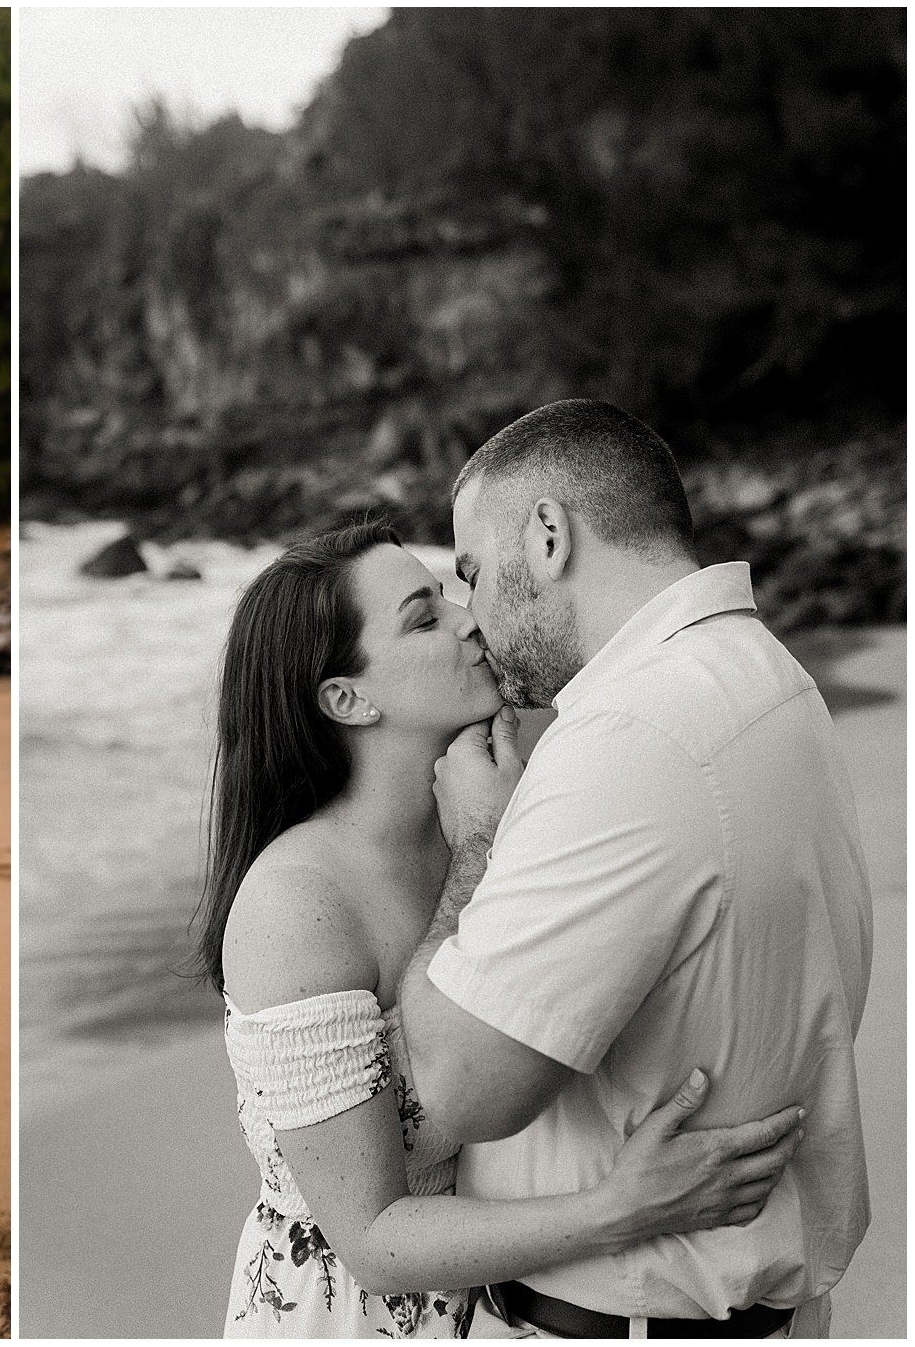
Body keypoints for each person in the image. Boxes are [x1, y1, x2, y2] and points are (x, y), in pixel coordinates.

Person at [195, 519, 808, 1339]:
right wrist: (620, 1209)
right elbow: (372, 1239)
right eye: (424, 617)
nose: (468, 619)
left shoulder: (501, 810)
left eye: (450, 594)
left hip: (506, 1306)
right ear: (347, 698)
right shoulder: (297, 906)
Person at [396, 399, 872, 1338]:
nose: (474, 618)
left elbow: (459, 1087)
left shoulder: (633, 737)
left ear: (547, 535)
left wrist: (479, 846)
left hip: (629, 1319)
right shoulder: (766, 675)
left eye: (474, 573)